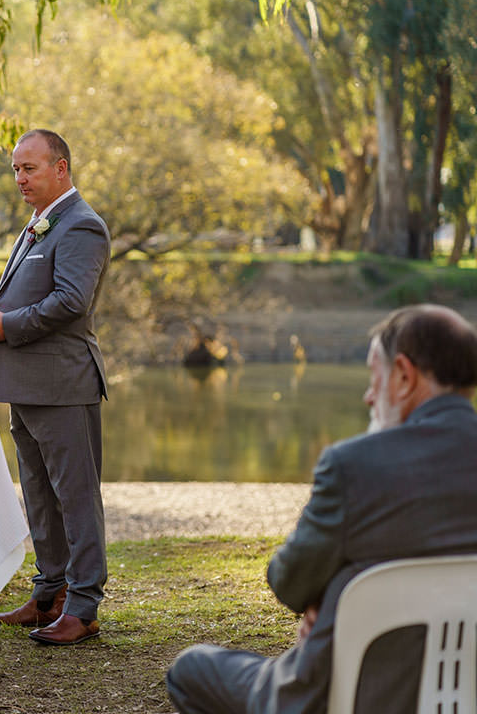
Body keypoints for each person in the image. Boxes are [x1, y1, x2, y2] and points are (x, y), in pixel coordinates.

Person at [166, 304, 477, 713]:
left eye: (373, 376)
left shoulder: (355, 466)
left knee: (191, 668)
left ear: (403, 375)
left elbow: (289, 583)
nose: (369, 395)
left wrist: (331, 592)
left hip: (335, 695)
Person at [0, 129, 111, 646]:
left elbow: (71, 301)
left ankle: (83, 605)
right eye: (15, 169)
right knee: (38, 494)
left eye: (29, 168)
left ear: (61, 168)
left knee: (75, 497)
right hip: (25, 383)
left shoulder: (81, 225)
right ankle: (49, 591)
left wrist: (5, 326)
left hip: (62, 383)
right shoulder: (39, 222)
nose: (20, 178)